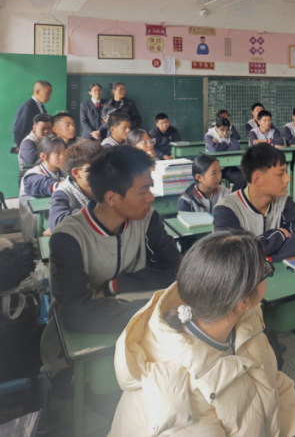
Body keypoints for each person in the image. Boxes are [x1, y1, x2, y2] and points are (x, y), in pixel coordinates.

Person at [108, 231, 295, 437]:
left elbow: (275, 388)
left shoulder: (245, 323)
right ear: (242, 302)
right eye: (265, 271)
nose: (267, 272)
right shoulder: (177, 400)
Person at [213, 144, 295, 419]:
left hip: (284, 293)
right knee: (268, 349)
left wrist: (264, 256)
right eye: (281, 173)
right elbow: (237, 257)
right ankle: (273, 420)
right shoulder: (227, 209)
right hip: (246, 303)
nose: (287, 178)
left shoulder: (282, 201)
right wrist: (281, 235)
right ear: (257, 178)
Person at [41, 146, 181, 378]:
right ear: (111, 197)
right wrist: (157, 310)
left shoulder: (146, 218)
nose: (151, 198)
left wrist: (115, 285)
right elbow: (75, 313)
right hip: (76, 349)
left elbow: (175, 269)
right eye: (143, 191)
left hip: (136, 332)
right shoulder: (68, 237)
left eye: (150, 188)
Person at [18, 135, 66, 242]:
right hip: (35, 234)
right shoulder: (31, 175)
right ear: (43, 156)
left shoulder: (60, 172)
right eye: (58, 153)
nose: (62, 157)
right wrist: (63, 185)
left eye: (64, 152)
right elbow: (45, 184)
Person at [49, 141, 104, 230]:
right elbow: (58, 225)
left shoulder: (111, 188)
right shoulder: (62, 194)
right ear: (76, 173)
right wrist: (100, 209)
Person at [205, 117, 246, 190]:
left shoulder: (230, 134)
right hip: (213, 169)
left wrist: (220, 145)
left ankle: (234, 196)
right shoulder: (209, 135)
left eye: (226, 130)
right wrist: (227, 144)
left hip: (227, 168)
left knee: (242, 177)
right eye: (222, 130)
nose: (224, 133)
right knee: (211, 181)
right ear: (216, 128)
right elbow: (215, 150)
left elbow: (237, 147)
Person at [13, 80, 52, 147]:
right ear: (37, 92)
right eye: (47, 93)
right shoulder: (27, 106)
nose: (50, 96)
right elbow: (18, 130)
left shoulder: (40, 106)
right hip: (29, 145)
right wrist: (21, 147)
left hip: (39, 144)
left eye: (50, 93)